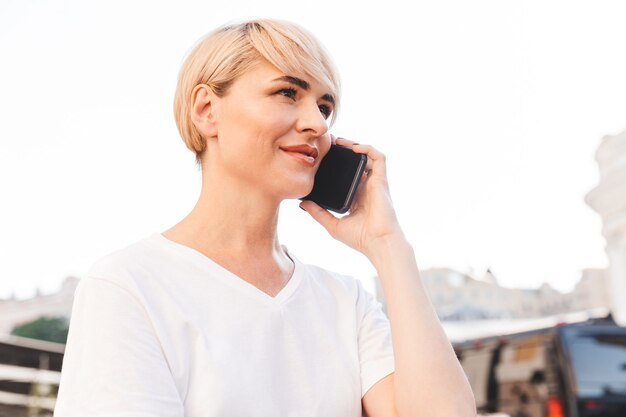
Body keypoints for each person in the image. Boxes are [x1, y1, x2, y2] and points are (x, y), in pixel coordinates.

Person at [53, 19, 475, 417]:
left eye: (325, 108)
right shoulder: (129, 286)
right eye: (288, 93)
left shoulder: (347, 303)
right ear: (206, 110)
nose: (316, 124)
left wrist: (388, 246)